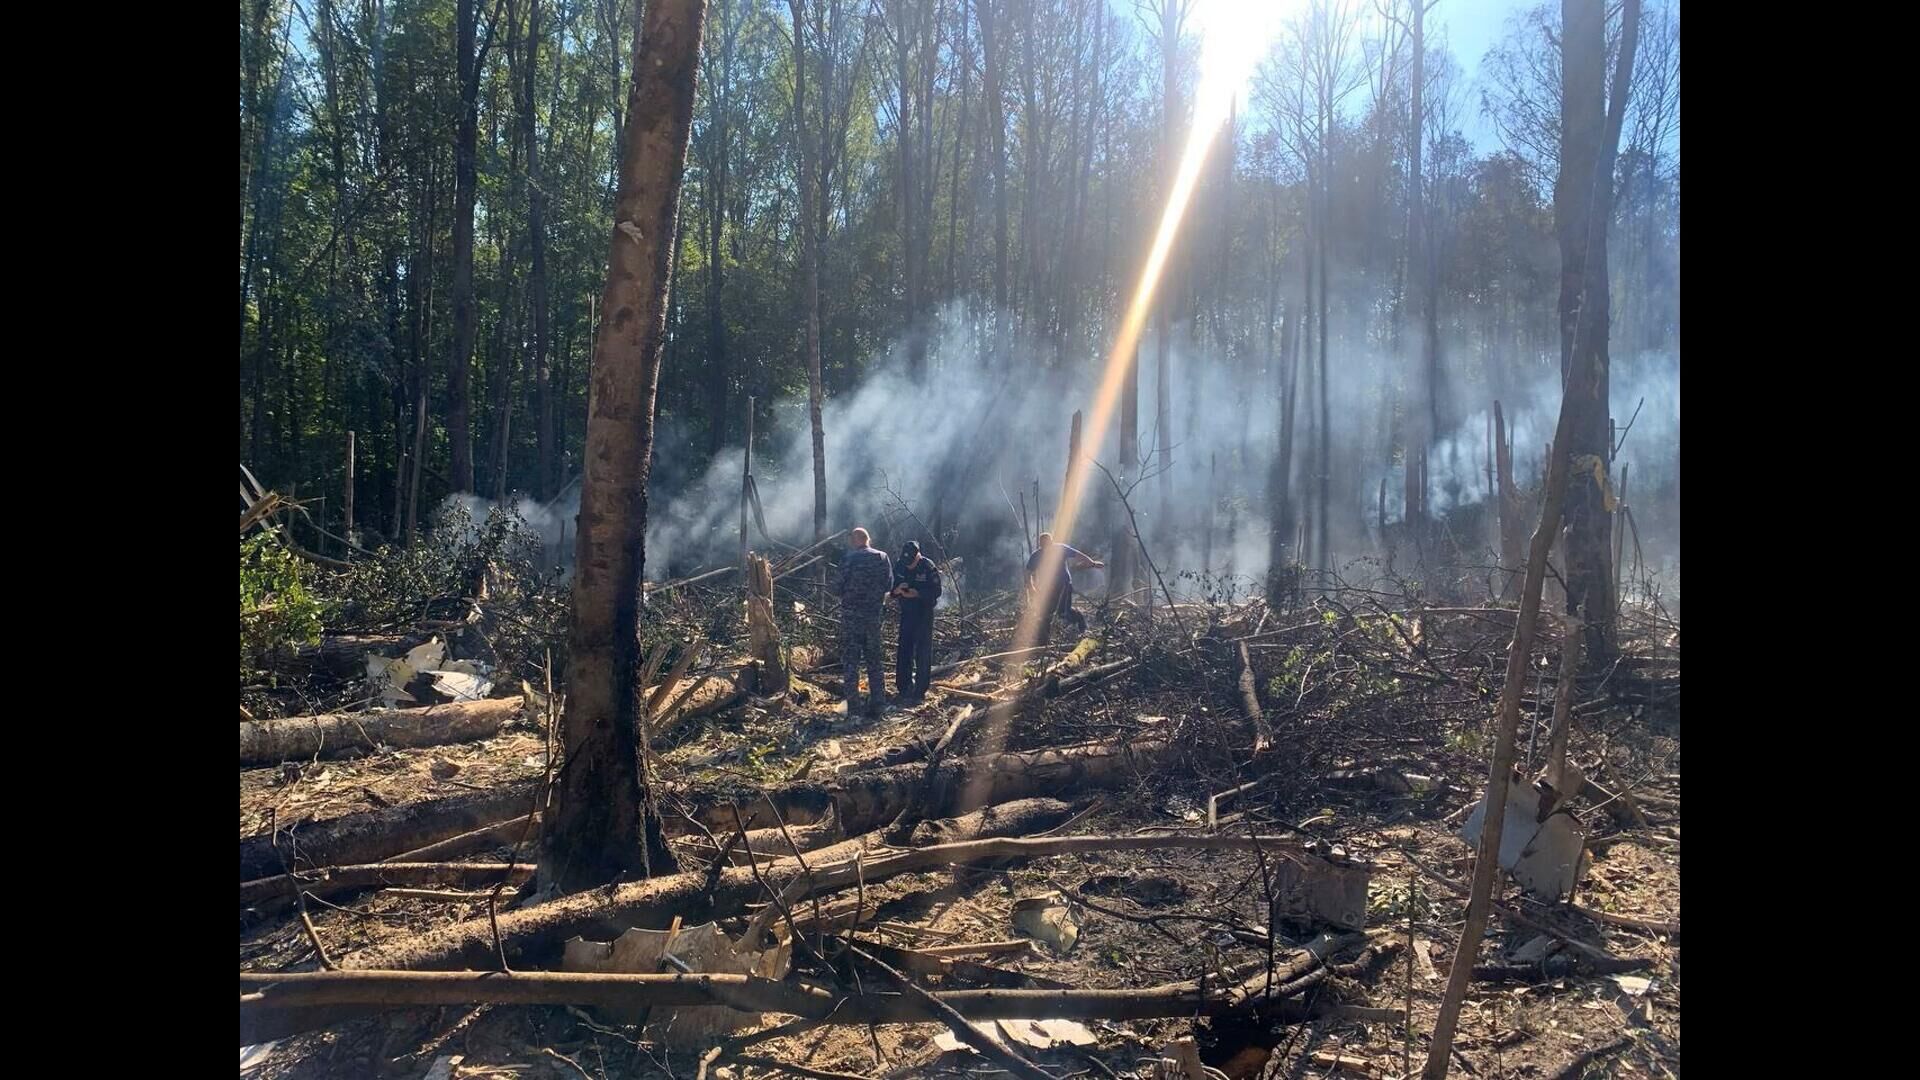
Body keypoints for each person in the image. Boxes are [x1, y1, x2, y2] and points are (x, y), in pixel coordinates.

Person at [835, 527, 893, 717]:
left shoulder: (849, 559)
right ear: (868, 539)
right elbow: (888, 585)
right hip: (873, 617)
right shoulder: (882, 558)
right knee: (874, 661)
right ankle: (879, 704)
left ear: (855, 539)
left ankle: (854, 707)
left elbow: (836, 586)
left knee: (851, 662)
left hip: (851, 618)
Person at [1025, 532, 1102, 644]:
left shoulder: (1060, 549)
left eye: (1048, 544)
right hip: (1047, 588)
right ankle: (1042, 642)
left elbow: (1078, 555)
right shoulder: (1036, 555)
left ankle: (1081, 624)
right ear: (1040, 545)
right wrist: (1031, 587)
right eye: (1043, 544)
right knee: (1045, 613)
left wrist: (1093, 563)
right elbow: (1028, 572)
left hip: (1064, 585)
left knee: (1063, 612)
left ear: (1052, 542)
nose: (1046, 547)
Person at [890, 540, 941, 704]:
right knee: (904, 649)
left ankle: (920, 690)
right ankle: (903, 687)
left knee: (923, 652)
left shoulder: (928, 566)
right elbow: (891, 589)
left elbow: (936, 591)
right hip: (907, 612)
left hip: (924, 613)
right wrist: (898, 591)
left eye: (911, 562)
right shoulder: (899, 565)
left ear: (918, 555)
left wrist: (917, 593)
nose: (909, 565)